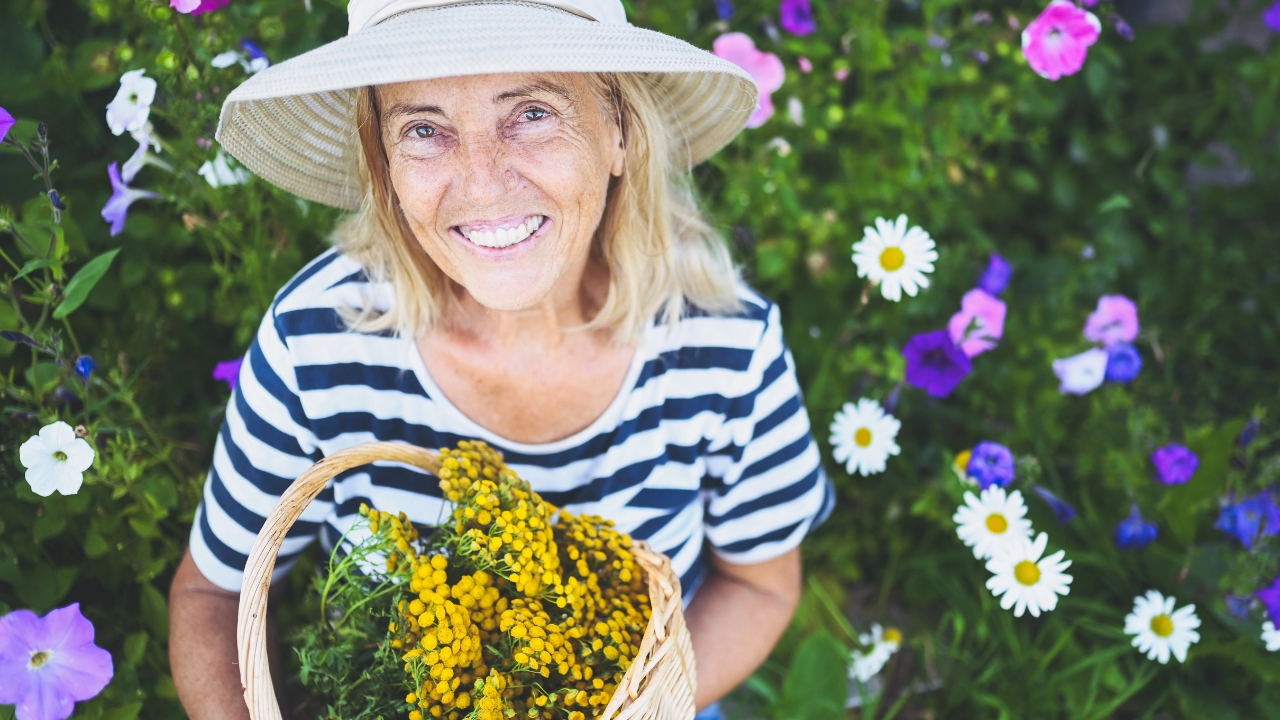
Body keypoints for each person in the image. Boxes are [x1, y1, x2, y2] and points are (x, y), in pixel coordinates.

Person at [169, 0, 833, 717]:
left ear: (618, 133)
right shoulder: (316, 339)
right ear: (383, 162)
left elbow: (760, 586)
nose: (482, 182)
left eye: (532, 114)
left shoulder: (723, 343)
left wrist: (636, 709)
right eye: (424, 130)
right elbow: (214, 592)